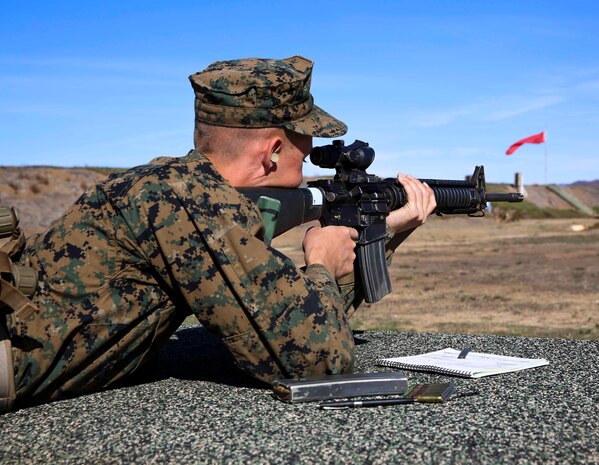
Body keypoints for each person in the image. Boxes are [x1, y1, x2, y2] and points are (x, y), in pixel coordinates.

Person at [0, 56, 436, 412]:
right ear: (273, 152)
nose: (310, 154)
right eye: (306, 141)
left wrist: (384, 232)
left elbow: (299, 321)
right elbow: (315, 359)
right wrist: (320, 262)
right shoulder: (192, 201)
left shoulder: (173, 184)